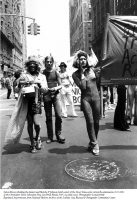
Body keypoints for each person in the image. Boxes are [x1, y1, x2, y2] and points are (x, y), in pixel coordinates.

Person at [72, 50, 100, 156]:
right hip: (85, 99)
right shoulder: (74, 74)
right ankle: (95, 143)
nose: (83, 61)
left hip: (96, 98)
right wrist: (82, 73)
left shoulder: (92, 70)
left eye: (84, 59)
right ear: (77, 61)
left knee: (97, 122)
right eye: (80, 59)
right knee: (90, 121)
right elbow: (83, 87)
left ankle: (92, 142)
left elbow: (101, 80)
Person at [18, 57, 48, 153]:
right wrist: (21, 84)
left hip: (37, 101)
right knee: (30, 123)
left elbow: (45, 90)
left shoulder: (42, 76)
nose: (32, 65)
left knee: (37, 123)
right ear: (27, 66)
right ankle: (32, 143)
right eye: (30, 64)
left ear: (37, 65)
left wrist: (39, 85)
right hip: (27, 102)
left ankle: (37, 137)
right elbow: (17, 88)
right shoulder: (24, 75)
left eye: (33, 64)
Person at [43, 56, 65, 144]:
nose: (49, 63)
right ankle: (50, 136)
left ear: (52, 62)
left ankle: (59, 134)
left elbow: (61, 85)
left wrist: (55, 88)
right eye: (47, 62)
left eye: (50, 62)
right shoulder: (43, 73)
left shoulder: (56, 72)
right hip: (46, 96)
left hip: (56, 96)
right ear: (45, 63)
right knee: (48, 117)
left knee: (59, 115)